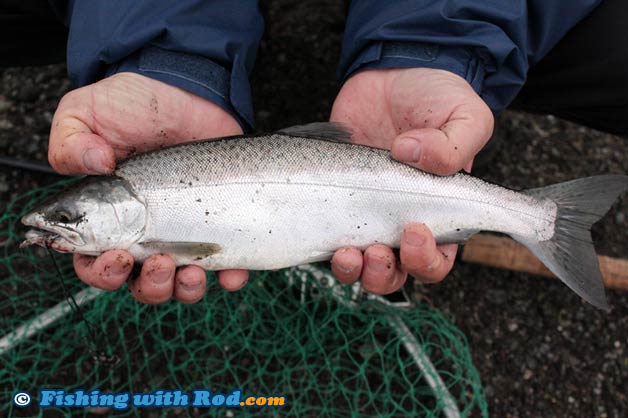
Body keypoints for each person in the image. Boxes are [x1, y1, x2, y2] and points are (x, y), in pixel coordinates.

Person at [3, 0, 625, 304]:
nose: (65, 227)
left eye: (72, 219)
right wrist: (166, 58)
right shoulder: (142, 212)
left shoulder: (153, 229)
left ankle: (539, 217)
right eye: (71, 221)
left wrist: (435, 44)